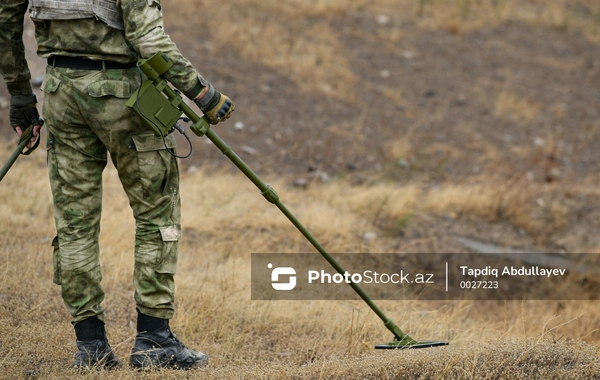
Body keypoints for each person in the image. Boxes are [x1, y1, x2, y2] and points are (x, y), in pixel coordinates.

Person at [0, 0, 234, 370]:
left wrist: (22, 97)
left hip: (62, 92)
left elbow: (6, 23)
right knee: (157, 217)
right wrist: (204, 94)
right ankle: (155, 342)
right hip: (127, 96)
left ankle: (90, 345)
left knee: (75, 225)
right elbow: (149, 40)